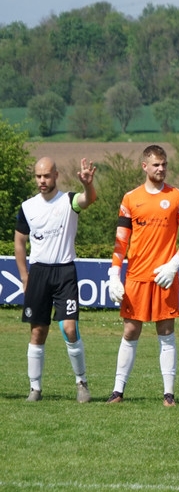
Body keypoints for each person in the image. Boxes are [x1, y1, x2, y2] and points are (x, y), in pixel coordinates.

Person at [106, 145, 179, 406]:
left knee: (166, 331)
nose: (161, 169)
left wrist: (174, 264)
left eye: (164, 164)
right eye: (156, 164)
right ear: (144, 166)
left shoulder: (177, 196)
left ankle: (169, 394)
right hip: (136, 276)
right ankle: (117, 391)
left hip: (164, 277)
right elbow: (121, 241)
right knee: (130, 331)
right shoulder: (130, 199)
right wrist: (114, 275)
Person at [15, 157, 97, 402]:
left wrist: (88, 185)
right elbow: (19, 242)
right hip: (39, 273)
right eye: (38, 176)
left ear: (56, 175)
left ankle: (81, 383)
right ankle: (35, 389)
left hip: (64, 272)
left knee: (70, 328)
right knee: (38, 332)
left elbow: (89, 199)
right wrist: (24, 276)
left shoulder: (69, 200)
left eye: (46, 176)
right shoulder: (27, 207)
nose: (42, 180)